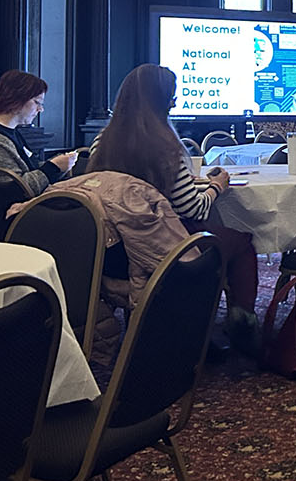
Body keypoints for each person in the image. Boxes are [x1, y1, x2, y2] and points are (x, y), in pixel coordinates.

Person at [88, 64, 261, 352]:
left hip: (112, 251)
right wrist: (218, 185)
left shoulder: (101, 143)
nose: (176, 102)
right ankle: (241, 329)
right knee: (241, 242)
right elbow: (194, 210)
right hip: (162, 249)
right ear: (163, 102)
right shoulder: (167, 149)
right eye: (172, 97)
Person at [0, 70, 82, 240]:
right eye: (37, 102)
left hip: (15, 217)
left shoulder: (9, 133)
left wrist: (58, 165)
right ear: (17, 100)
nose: (41, 109)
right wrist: (53, 167)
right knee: (79, 224)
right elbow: (14, 191)